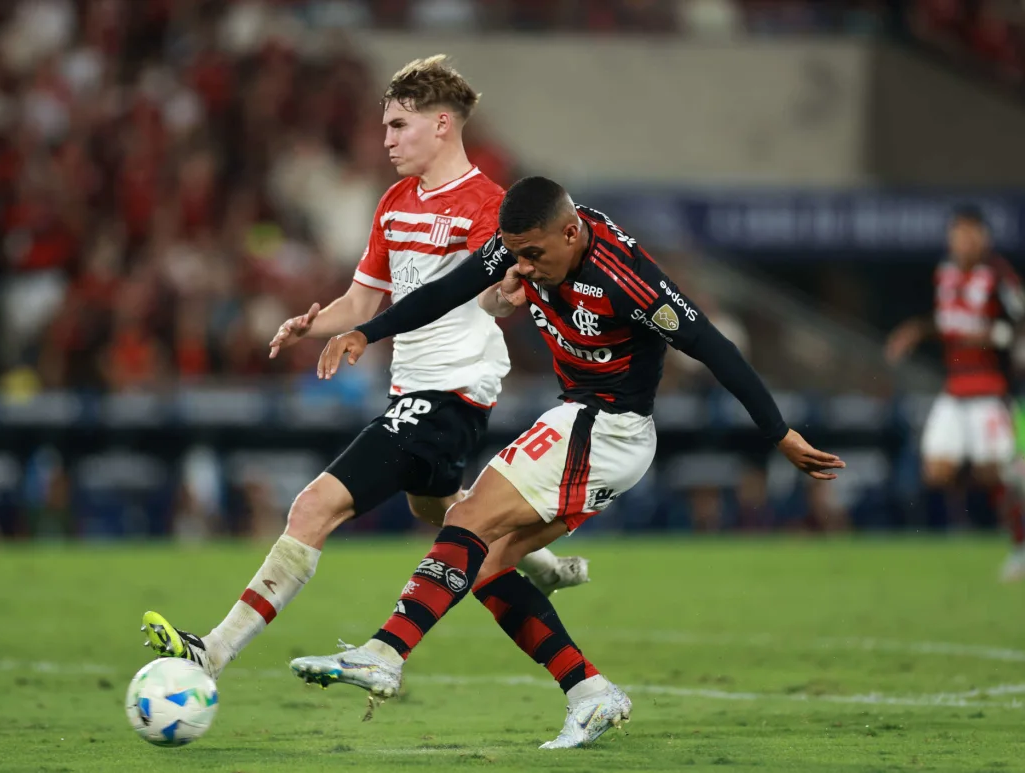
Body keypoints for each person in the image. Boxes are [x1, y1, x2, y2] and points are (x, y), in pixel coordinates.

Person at [291, 176, 845, 749]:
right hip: (582, 421)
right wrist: (368, 330)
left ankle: (384, 653)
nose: (524, 267)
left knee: (465, 522)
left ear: (571, 231)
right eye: (516, 254)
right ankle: (590, 692)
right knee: (483, 567)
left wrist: (778, 433)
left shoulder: (626, 277)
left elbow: (712, 345)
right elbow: (449, 289)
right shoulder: (523, 245)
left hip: (605, 428)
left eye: (534, 255)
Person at [140, 57, 590, 682]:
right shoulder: (395, 202)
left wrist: (505, 292)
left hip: (452, 391)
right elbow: (364, 300)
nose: (386, 139)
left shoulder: (489, 205)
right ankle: (539, 572)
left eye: (399, 125)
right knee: (450, 522)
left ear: (441, 125)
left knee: (313, 506)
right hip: (414, 389)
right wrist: (312, 323)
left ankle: (213, 652)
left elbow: (491, 290)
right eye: (385, 126)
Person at [887, 205, 1025, 581]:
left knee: (1000, 474)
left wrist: (994, 336)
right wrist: (915, 330)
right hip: (955, 387)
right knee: (936, 470)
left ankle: (1019, 546)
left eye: (970, 233)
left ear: (984, 237)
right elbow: (948, 320)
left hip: (991, 389)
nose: (963, 241)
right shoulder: (944, 273)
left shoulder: (1000, 276)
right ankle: (991, 498)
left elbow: (1018, 327)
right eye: (957, 233)